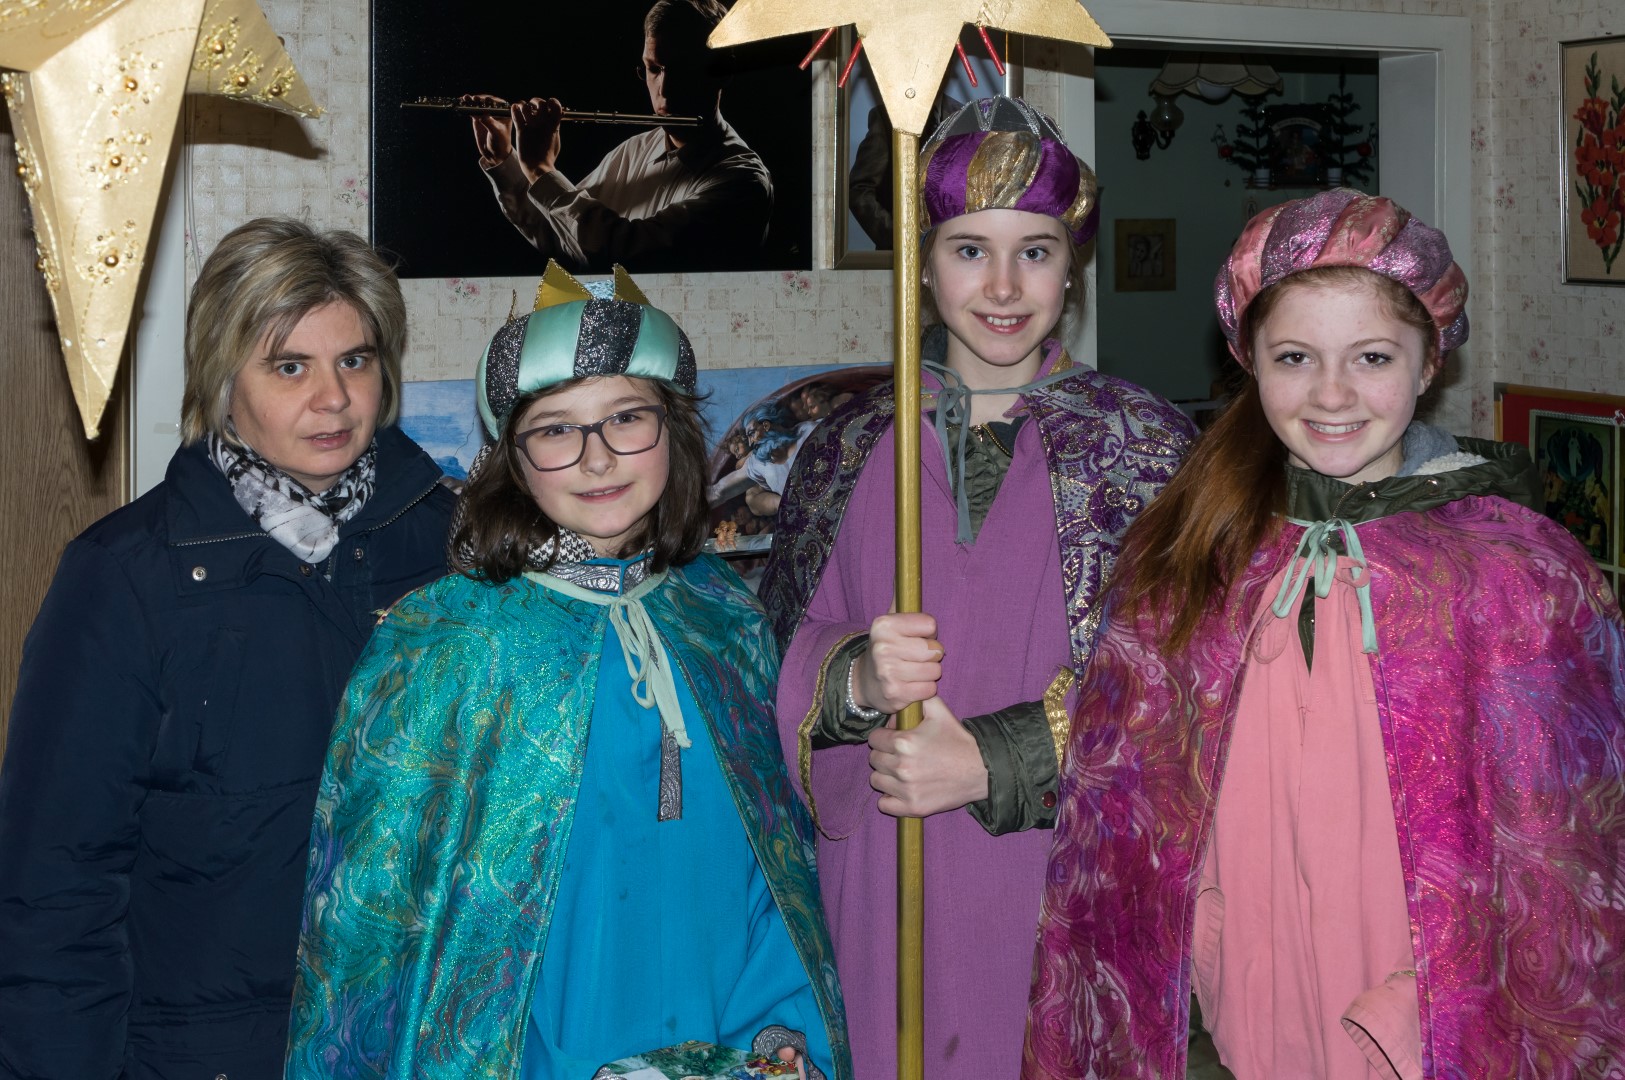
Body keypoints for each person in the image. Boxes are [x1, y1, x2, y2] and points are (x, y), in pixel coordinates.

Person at [1024, 190, 1625, 1078]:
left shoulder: (1518, 575)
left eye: (1372, 357)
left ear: (1429, 366)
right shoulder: (1197, 548)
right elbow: (1120, 775)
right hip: (1235, 1018)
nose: (1332, 394)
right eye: (1295, 358)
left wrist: (1418, 1006)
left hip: (1426, 1019)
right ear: (1248, 365)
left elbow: (1566, 847)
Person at [284, 263, 851, 1079]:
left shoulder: (721, 616)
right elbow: (377, 940)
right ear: (511, 457)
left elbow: (776, 871)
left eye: (627, 417)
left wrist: (775, 1044)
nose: (597, 458)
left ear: (674, 427)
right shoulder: (446, 643)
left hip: (730, 1040)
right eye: (555, 430)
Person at [759, 97, 1195, 1077]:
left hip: (1055, 889)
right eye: (968, 250)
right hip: (880, 885)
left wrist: (997, 760)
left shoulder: (1145, 451)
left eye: (1034, 251)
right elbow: (777, 642)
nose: (1002, 286)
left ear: (1071, 264)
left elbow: (1186, 683)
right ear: (920, 262)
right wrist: (852, 680)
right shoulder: (844, 445)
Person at [0, 218, 456, 1079]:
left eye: (354, 360)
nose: (333, 398)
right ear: (222, 376)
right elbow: (55, 883)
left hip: (417, 1034)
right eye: (289, 366)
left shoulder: (447, 544)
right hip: (209, 1052)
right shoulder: (124, 578)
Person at [466, 0, 772, 273]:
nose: (663, 92)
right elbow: (558, 235)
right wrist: (505, 158)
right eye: (653, 69)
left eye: (681, 69)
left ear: (723, 70)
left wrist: (542, 170)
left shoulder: (742, 182)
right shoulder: (634, 150)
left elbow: (623, 263)